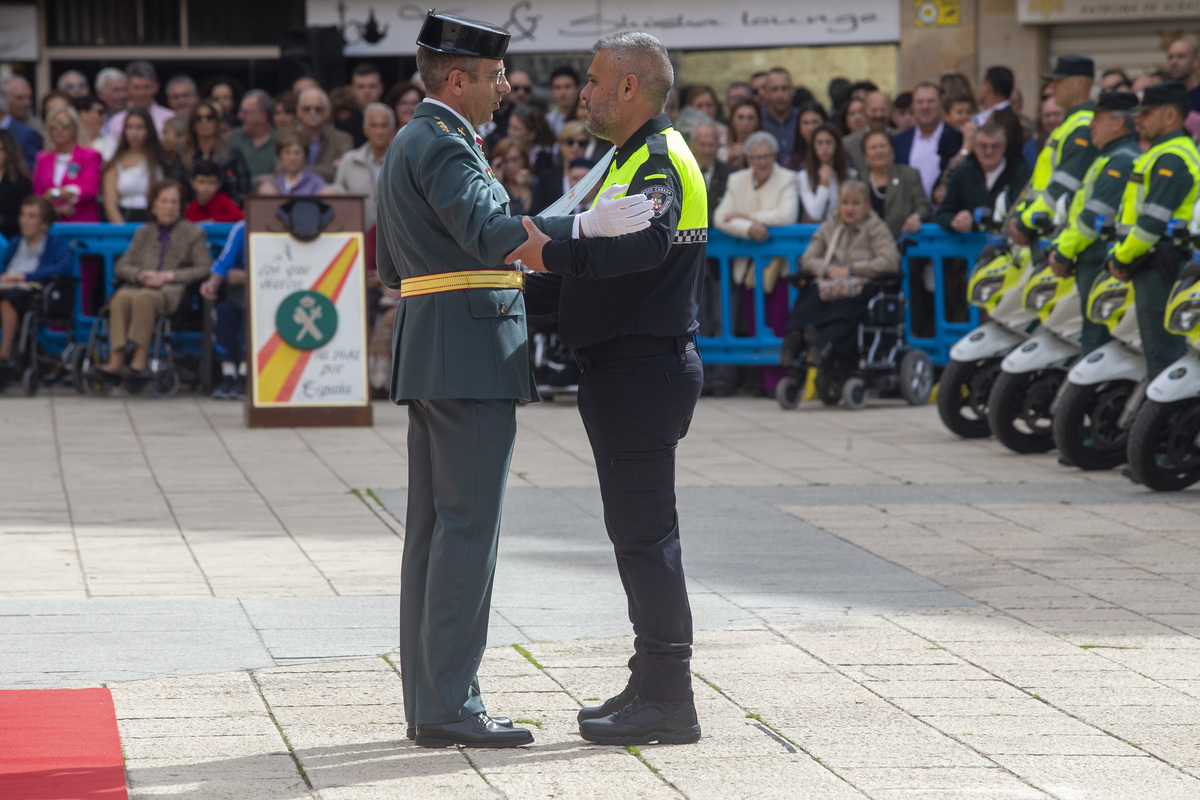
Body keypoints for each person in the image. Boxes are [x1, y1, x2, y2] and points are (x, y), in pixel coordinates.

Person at [373, 11, 654, 750]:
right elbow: (494, 231)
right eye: (495, 75)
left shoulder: (416, 141)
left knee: (435, 532)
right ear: (457, 79)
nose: (505, 86)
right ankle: (449, 705)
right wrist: (587, 229)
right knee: (467, 532)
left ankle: (431, 699)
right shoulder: (446, 147)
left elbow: (392, 267)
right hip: (469, 352)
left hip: (435, 346)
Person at [509, 29, 709, 748]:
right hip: (628, 371)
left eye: (594, 80)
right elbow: (604, 273)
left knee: (646, 541)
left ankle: (669, 698)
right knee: (639, 539)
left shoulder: (657, 157)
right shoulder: (627, 156)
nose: (583, 92)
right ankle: (650, 679)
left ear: (631, 87)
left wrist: (550, 253)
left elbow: (648, 246)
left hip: (641, 374)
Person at [1107, 82, 1200, 385]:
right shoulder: (1164, 153)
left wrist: (1119, 258)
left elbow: (1150, 225)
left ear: (1170, 115)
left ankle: (1165, 431)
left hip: (1159, 265)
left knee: (1163, 358)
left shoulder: (1171, 158)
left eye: (1147, 113)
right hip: (1153, 264)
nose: (1139, 119)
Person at [89, 180, 211, 384]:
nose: (169, 207)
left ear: (181, 206)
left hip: (170, 291)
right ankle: (116, 359)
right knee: (121, 297)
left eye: (174, 202)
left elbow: (204, 267)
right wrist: (140, 275)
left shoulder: (193, 233)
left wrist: (168, 276)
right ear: (154, 206)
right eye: (164, 201)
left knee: (144, 298)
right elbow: (122, 266)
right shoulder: (144, 232)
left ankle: (139, 360)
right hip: (139, 285)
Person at [1046, 92, 1140, 357]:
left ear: (1118, 124)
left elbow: (1093, 218)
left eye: (1097, 119)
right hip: (1095, 260)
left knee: (1097, 344)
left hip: (1099, 263)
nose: (1090, 125)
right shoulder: (1109, 157)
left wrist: (1062, 250)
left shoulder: (1120, 161)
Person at [713, 131, 798, 394]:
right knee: (753, 322)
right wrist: (750, 229)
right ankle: (761, 382)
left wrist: (744, 216)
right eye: (757, 157)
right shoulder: (737, 179)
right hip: (747, 268)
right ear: (748, 158)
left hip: (779, 266)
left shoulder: (788, 178)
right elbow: (720, 217)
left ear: (775, 156)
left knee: (777, 321)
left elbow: (786, 216)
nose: (762, 162)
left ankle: (778, 383)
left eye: (767, 156)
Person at [780, 180, 900, 365]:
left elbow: (889, 261)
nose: (849, 208)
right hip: (829, 282)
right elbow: (808, 258)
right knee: (809, 293)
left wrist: (852, 270)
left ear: (866, 205)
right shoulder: (828, 227)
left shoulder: (876, 228)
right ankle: (794, 341)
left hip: (862, 283)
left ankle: (824, 344)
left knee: (845, 304)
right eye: (845, 203)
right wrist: (827, 270)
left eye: (855, 203)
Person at [1011, 56, 1098, 246]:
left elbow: (1064, 186)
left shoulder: (1084, 126)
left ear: (1080, 83)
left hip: (1060, 234)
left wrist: (1024, 222)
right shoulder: (1068, 124)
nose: (1051, 88)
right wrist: (1022, 213)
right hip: (1045, 228)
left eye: (1058, 81)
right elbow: (1040, 182)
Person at [0, 196, 70, 373]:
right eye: (23, 215)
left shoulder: (56, 245)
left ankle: (5, 353)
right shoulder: (16, 242)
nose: (25, 220)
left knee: (7, 299)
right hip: (8, 288)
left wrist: (24, 276)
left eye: (32, 216)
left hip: (34, 293)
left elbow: (63, 268)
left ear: (45, 223)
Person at [935, 122, 1031, 234]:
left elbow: (1023, 213)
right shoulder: (963, 173)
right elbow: (943, 213)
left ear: (1004, 146)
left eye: (994, 146)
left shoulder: (1022, 173)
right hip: (968, 246)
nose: (989, 151)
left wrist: (976, 224)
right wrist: (954, 221)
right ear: (974, 147)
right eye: (983, 146)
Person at [199, 220, 247, 399]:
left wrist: (247, 277)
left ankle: (245, 375)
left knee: (251, 315)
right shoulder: (242, 228)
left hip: (268, 289)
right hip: (238, 292)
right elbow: (225, 261)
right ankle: (228, 374)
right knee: (223, 311)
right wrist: (213, 282)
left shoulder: (288, 225)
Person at [894, 82, 963, 201]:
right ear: (913, 106)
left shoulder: (957, 137)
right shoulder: (899, 141)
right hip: (910, 216)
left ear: (941, 103)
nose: (925, 106)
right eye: (920, 102)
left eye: (930, 101)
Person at [172, 100, 251, 205]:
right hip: (190, 213)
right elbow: (177, 188)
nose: (204, 122)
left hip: (227, 212)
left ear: (216, 122)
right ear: (193, 125)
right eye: (198, 119)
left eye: (209, 117)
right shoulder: (181, 154)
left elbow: (243, 189)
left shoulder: (233, 153)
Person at [33, 105, 101, 223]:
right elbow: (38, 195)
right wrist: (55, 209)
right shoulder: (42, 158)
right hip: (51, 223)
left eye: (65, 124)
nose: (59, 130)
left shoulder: (90, 155)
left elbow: (90, 188)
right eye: (54, 125)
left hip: (82, 223)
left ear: (75, 128)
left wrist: (56, 193)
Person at [332, 103, 396, 229]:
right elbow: (338, 200)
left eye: (383, 126)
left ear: (392, 129)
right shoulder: (349, 161)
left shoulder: (402, 161)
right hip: (357, 237)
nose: (379, 131)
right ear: (365, 130)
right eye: (374, 126)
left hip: (394, 238)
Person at [101, 107, 167, 223]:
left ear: (149, 130)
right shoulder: (115, 162)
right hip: (126, 219)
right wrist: (123, 231)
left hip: (157, 221)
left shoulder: (161, 159)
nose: (134, 133)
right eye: (129, 127)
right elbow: (110, 205)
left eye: (139, 127)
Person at [861, 130, 929, 238]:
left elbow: (923, 206)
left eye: (883, 146)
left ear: (892, 150)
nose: (879, 151)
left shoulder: (909, 175)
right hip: (867, 245)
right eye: (873, 148)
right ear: (865, 154)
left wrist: (916, 217)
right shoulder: (858, 180)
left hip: (903, 241)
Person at [531, 120, 590, 212]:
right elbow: (537, 212)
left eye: (581, 143)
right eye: (570, 142)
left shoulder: (595, 174)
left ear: (587, 146)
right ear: (560, 144)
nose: (575, 146)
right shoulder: (546, 178)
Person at [296, 87, 353, 183]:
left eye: (318, 109)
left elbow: (341, 171)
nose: (312, 113)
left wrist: (297, 169)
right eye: (307, 109)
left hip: (330, 193)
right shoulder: (288, 138)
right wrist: (328, 168)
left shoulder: (343, 139)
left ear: (327, 111)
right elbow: (280, 169)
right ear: (299, 111)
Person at [799, 123, 852, 223]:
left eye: (829, 142)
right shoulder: (803, 176)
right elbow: (815, 214)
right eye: (819, 143)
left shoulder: (851, 174)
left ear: (837, 145)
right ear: (813, 146)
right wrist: (823, 184)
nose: (824, 147)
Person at [107, 61, 174, 139]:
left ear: (156, 87)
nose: (141, 93)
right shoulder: (117, 121)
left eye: (146, 87)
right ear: (127, 88)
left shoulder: (170, 118)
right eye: (136, 88)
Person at [688, 121, 734, 217]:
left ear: (718, 146)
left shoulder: (731, 174)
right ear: (691, 146)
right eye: (702, 145)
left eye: (711, 145)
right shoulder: (682, 173)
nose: (707, 151)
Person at [228, 90, 277, 178]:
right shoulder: (233, 137)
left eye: (245, 113)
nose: (239, 116)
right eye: (240, 111)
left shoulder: (280, 140)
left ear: (263, 115)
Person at [844, 90, 891, 178]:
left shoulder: (903, 138)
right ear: (865, 111)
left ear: (890, 111)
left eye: (883, 110)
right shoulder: (848, 144)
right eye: (874, 110)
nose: (879, 115)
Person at [337, 63, 385, 148]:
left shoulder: (393, 121)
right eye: (361, 87)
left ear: (381, 88)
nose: (367, 91)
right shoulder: (344, 128)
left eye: (372, 86)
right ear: (352, 90)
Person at [267, 128, 326, 195]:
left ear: (305, 155)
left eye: (297, 153)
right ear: (280, 156)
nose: (292, 158)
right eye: (287, 153)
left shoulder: (316, 183)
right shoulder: (274, 184)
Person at [1, 82, 43, 173]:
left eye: (29, 98)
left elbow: (34, 170)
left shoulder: (28, 133)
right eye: (19, 98)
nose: (27, 103)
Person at [760, 67, 799, 164]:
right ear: (766, 92)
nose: (780, 94)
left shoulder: (803, 119)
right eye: (774, 89)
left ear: (792, 90)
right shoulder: (757, 120)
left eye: (784, 89)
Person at [0, 130, 33, 240]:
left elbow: (25, 216)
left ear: (9, 152)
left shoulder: (21, 182)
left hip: (10, 239)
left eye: (1, 150)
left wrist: (2, 220)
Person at [783, 100, 828, 171]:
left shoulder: (839, 157)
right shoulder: (791, 161)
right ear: (799, 127)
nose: (811, 128)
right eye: (806, 123)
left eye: (815, 122)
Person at [1023, 94, 1065, 167]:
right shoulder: (1030, 148)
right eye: (1047, 115)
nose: (1052, 120)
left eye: (1057, 114)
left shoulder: (1072, 143)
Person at [72, 95, 116, 162]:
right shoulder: (69, 140)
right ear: (83, 114)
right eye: (100, 112)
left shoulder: (109, 141)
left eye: (105, 113)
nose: (104, 117)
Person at [720, 100, 760, 170]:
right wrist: (728, 161)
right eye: (740, 117)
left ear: (758, 122)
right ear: (732, 121)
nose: (745, 123)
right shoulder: (722, 152)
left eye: (751, 118)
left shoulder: (766, 152)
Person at [1166, 39, 1200, 112]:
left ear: (1195, 62)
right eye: (1170, 57)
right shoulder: (1165, 96)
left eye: (1181, 56)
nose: (1173, 62)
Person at [546, 65, 581, 135]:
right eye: (558, 87)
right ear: (552, 91)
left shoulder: (586, 118)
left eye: (567, 87)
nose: (563, 92)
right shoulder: (548, 121)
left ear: (577, 89)